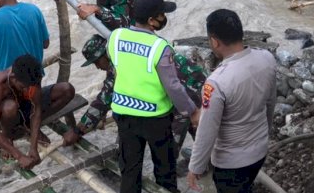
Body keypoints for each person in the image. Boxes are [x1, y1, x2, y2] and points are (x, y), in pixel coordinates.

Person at [106, 0, 200, 193]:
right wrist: (192, 111)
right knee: (165, 168)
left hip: (123, 113)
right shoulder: (160, 47)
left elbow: (119, 68)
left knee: (130, 168)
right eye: (161, 15)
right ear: (151, 21)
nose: (164, 18)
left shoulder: (115, 37)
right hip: (155, 117)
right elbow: (173, 87)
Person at [187, 9, 277, 193]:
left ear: (214, 41)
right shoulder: (266, 59)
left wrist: (195, 166)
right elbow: (270, 101)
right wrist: (265, 133)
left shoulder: (217, 82)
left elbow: (207, 130)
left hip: (231, 161)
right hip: (258, 150)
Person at [63, 34, 207, 157]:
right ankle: (204, 158)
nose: (97, 67)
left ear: (105, 54)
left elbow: (103, 101)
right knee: (193, 124)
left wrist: (78, 130)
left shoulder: (119, 65)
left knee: (170, 144)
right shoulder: (122, 55)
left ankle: (194, 166)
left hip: (187, 86)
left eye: (96, 62)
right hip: (189, 81)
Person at [0, 54, 75, 170]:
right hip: (9, 116)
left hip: (26, 109)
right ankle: (8, 136)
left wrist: (33, 146)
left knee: (67, 90)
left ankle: (28, 127)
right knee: (9, 107)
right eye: (23, 87)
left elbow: (36, 109)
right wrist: (20, 156)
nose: (27, 89)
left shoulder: (32, 76)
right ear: (13, 78)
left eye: (29, 86)